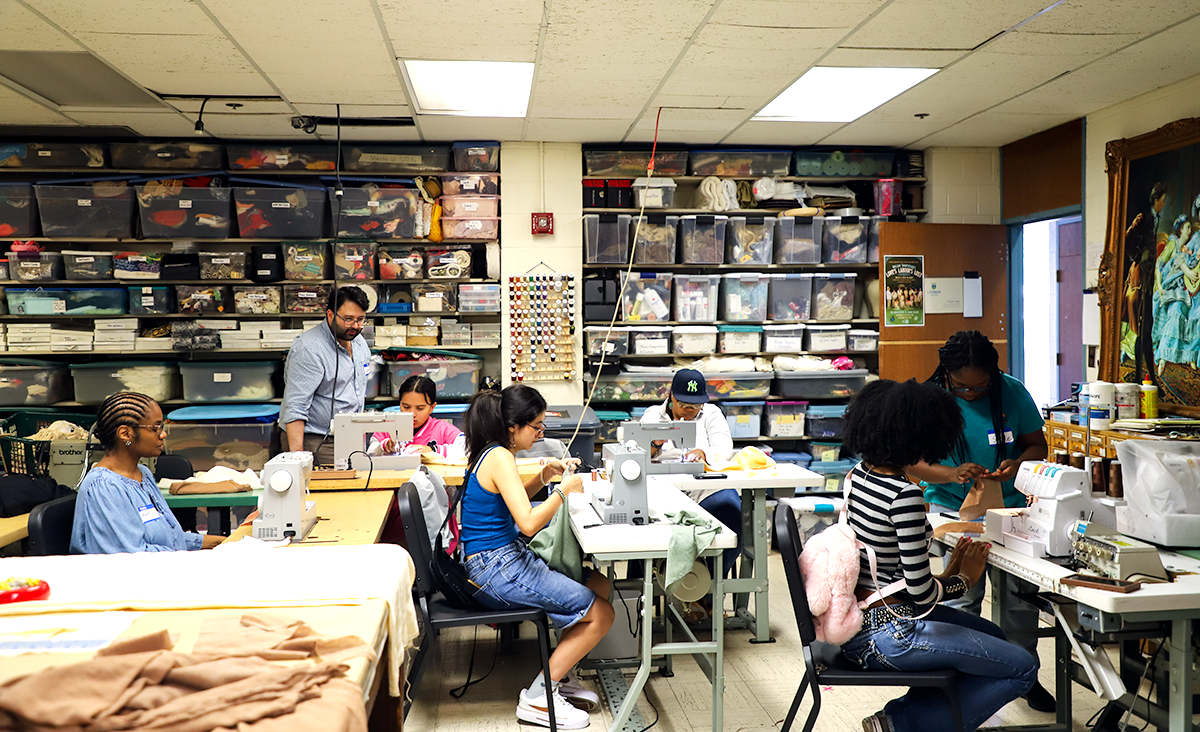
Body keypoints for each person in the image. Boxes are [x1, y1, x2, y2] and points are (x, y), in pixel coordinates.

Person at [839, 379, 1037, 732]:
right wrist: (963, 580)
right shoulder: (904, 497)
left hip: (862, 621)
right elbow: (922, 595)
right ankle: (902, 725)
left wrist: (950, 574)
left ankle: (900, 716)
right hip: (891, 634)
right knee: (1022, 666)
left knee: (992, 634)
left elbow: (896, 574)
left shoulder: (858, 476)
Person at [906, 330, 1053, 712]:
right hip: (954, 513)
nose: (972, 394)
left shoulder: (1012, 392)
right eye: (962, 388)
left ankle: (1025, 677)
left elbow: (1038, 444)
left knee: (1019, 603)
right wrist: (952, 474)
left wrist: (1017, 465)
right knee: (962, 596)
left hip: (1011, 511)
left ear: (994, 374)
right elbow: (912, 462)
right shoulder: (929, 400)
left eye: (981, 387)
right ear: (947, 374)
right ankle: (960, 683)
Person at [460, 385, 614, 730]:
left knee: (600, 584)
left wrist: (544, 477)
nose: (541, 433)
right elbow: (527, 523)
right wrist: (562, 490)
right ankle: (538, 698)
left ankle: (559, 674)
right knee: (602, 614)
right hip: (496, 568)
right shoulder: (499, 456)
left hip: (498, 560)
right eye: (537, 426)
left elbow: (508, 498)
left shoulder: (494, 453)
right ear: (513, 426)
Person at [71, 392, 224, 554]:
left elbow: (167, 537)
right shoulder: (104, 486)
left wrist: (221, 542)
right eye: (156, 428)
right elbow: (133, 555)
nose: (163, 434)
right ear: (126, 434)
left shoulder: (142, 474)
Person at [640, 368, 739, 578]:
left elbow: (725, 449)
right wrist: (655, 444)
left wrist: (704, 453)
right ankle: (657, 585)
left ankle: (709, 585)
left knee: (734, 513)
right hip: (664, 492)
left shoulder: (711, 414)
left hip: (704, 490)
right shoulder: (653, 415)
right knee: (641, 521)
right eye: (683, 405)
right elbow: (638, 455)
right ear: (671, 397)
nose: (688, 411)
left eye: (694, 406)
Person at [279, 286, 371, 466]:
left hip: (350, 437)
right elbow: (295, 406)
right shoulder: (309, 349)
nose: (355, 326)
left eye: (360, 319)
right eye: (348, 319)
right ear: (330, 315)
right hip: (318, 440)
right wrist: (298, 460)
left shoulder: (358, 341)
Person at [367, 375, 465, 458]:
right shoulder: (387, 427)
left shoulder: (442, 429)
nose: (412, 414)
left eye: (420, 408)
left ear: (432, 407)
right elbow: (369, 454)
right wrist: (382, 447)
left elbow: (467, 449)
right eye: (406, 407)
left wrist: (433, 449)